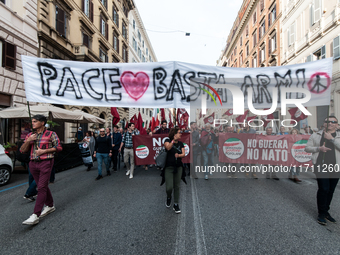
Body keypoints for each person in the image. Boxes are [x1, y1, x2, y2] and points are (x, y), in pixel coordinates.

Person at [20, 114, 62, 225]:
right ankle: (50, 205)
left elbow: (59, 147)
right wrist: (28, 140)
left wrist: (44, 151)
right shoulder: (30, 135)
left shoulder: (51, 134)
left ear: (42, 123)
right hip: (33, 164)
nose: (32, 123)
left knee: (41, 188)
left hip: (46, 162)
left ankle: (35, 215)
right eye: (32, 121)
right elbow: (22, 150)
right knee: (42, 186)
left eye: (35, 121)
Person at [305, 116, 340, 225]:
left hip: (335, 167)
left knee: (331, 190)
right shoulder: (316, 135)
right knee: (324, 188)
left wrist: (332, 139)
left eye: (333, 122)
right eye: (327, 121)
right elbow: (307, 148)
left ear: (336, 124)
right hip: (321, 166)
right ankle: (321, 213)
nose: (330, 123)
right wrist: (318, 149)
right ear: (324, 123)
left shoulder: (338, 136)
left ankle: (326, 211)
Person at [164, 127, 185, 213]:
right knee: (169, 187)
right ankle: (169, 197)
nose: (181, 134)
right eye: (179, 132)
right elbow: (168, 148)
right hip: (169, 167)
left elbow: (183, 154)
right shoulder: (167, 140)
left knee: (177, 186)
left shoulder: (181, 143)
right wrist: (173, 140)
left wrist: (179, 156)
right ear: (174, 134)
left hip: (178, 167)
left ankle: (176, 204)